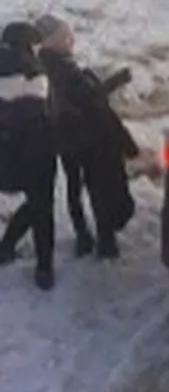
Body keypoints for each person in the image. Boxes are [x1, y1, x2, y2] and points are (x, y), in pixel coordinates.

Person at [35, 14, 138, 260]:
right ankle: (101, 241)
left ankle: (86, 237)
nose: (71, 39)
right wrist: (116, 80)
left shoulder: (49, 65)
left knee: (76, 187)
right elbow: (92, 100)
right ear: (51, 41)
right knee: (98, 189)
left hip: (65, 138)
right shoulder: (62, 68)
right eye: (64, 35)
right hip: (85, 139)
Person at [0, 21, 59, 289]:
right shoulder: (35, 72)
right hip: (35, 151)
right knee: (41, 206)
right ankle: (44, 267)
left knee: (34, 203)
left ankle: (6, 246)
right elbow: (43, 113)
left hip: (4, 155)